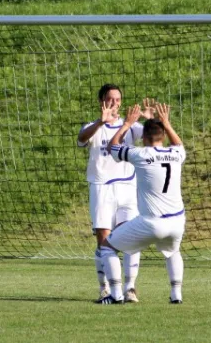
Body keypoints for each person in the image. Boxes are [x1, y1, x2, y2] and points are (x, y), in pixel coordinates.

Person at [96, 102, 187, 304]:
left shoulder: (139, 154)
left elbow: (113, 147)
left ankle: (116, 294)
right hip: (177, 222)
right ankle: (176, 295)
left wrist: (127, 123)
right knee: (172, 251)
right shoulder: (177, 154)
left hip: (151, 222)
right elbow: (178, 144)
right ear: (163, 136)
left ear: (143, 138)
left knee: (107, 247)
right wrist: (165, 122)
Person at [77, 83, 155, 303]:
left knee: (131, 237)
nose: (115, 103)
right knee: (103, 240)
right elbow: (82, 139)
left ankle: (130, 288)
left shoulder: (130, 126)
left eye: (118, 99)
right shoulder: (94, 126)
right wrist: (101, 121)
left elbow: (155, 137)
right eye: (111, 99)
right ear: (102, 100)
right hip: (101, 187)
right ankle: (105, 289)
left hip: (127, 188)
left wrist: (149, 119)